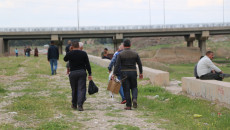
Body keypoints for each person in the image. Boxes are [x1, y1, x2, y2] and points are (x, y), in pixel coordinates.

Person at [112, 39, 143, 110]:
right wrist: (141, 73)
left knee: (126, 89)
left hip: (124, 73)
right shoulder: (135, 53)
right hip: (133, 72)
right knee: (134, 87)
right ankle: (134, 99)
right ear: (130, 45)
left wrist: (114, 73)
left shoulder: (120, 54)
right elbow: (140, 64)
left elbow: (117, 65)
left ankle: (128, 105)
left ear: (123, 45)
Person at [64, 41, 92, 111]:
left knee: (74, 89)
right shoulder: (83, 53)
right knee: (81, 89)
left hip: (73, 73)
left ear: (72, 46)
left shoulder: (70, 53)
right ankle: (80, 105)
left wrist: (70, 50)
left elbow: (65, 59)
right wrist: (90, 73)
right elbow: (87, 64)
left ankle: (74, 104)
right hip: (82, 72)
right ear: (79, 46)